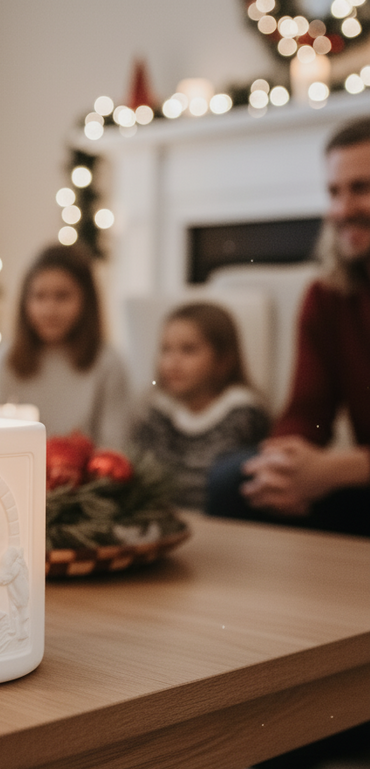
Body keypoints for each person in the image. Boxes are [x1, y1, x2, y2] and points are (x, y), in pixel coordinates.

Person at [207, 117, 370, 538]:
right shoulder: (326, 297)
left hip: (356, 472)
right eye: (334, 192)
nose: (343, 210)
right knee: (230, 481)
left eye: (361, 188)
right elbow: (308, 415)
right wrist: (285, 466)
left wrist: (333, 471)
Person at [0, 243, 131, 448]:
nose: (49, 310)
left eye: (62, 296)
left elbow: (114, 446)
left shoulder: (108, 363)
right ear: (25, 301)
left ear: (86, 301)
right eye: (39, 296)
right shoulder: (4, 360)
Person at [132, 302, 269, 509]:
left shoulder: (244, 414)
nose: (172, 362)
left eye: (188, 350)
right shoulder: (156, 411)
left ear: (223, 360)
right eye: (166, 349)